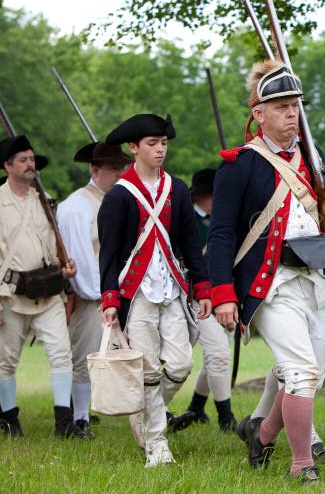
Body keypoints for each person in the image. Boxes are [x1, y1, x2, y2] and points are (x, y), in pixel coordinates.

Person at [207, 60, 325, 483]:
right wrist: (222, 293)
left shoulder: (313, 157)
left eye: (296, 106)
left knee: (309, 374)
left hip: (314, 282)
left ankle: (263, 432)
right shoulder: (239, 164)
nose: (293, 114)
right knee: (301, 371)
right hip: (269, 285)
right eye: (283, 107)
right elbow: (220, 235)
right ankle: (300, 464)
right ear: (259, 113)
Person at [98, 114, 212, 468]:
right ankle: (157, 444)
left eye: (163, 143)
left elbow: (191, 243)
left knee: (180, 364)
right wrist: (110, 299)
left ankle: (143, 415)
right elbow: (110, 252)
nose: (160, 149)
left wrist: (203, 287)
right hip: (137, 295)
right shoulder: (119, 195)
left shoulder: (176, 189)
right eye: (152, 143)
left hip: (172, 289)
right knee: (147, 371)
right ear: (134, 148)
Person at [0, 135, 84, 438]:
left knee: (63, 355)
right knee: (6, 361)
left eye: (32, 159)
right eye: (22, 160)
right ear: (7, 166)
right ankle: (9, 421)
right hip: (10, 295)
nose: (30, 165)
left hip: (48, 293)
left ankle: (64, 423)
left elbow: (51, 245)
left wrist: (64, 270)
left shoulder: (43, 200)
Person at [57, 141, 130, 437]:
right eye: (113, 168)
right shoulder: (77, 206)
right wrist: (99, 294)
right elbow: (82, 257)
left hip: (117, 292)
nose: (119, 173)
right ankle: (81, 416)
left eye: (121, 167)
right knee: (85, 357)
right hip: (92, 296)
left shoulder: (117, 198)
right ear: (95, 170)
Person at [170, 168, 237, 433]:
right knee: (218, 355)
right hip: (196, 296)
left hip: (224, 295)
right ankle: (226, 417)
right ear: (201, 197)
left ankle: (197, 407)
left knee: (218, 354)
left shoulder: (223, 220)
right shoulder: (185, 221)